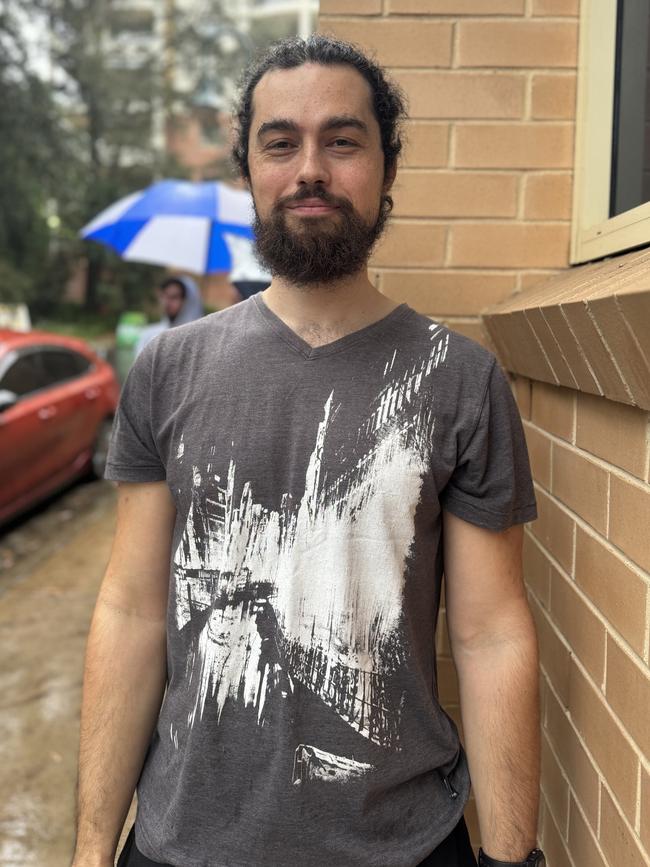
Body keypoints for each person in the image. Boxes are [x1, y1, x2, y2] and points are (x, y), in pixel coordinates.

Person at [71, 36, 545, 867]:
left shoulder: (460, 382)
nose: (310, 169)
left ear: (388, 170)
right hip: (184, 841)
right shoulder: (169, 368)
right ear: (249, 170)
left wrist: (512, 857)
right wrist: (88, 849)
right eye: (280, 141)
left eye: (344, 140)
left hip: (404, 844)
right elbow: (133, 611)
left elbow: (491, 633)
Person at [134, 275, 204, 356]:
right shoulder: (149, 336)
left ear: (187, 301)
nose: (167, 303)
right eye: (164, 296)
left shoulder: (200, 340)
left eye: (174, 297)